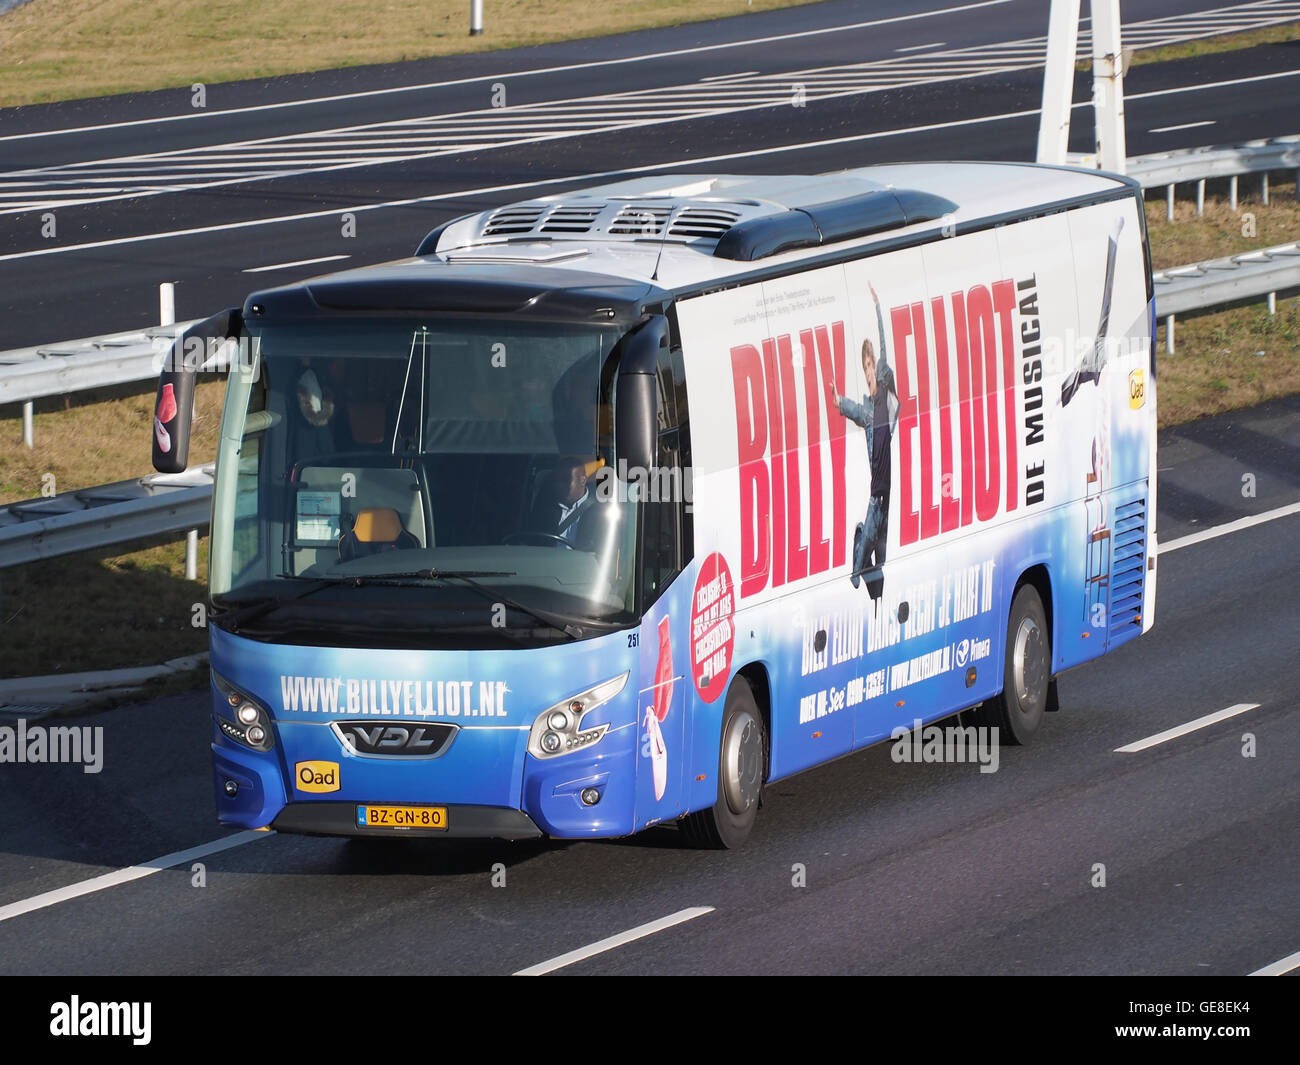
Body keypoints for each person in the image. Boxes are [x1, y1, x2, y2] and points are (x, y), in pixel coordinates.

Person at [831, 283, 898, 599]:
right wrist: (837, 399)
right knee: (858, 573)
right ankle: (860, 536)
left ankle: (865, 538)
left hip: (889, 495)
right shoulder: (868, 411)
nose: (871, 372)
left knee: (882, 563)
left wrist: (877, 306)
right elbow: (849, 409)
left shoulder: (886, 392)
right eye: (867, 368)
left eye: (872, 366)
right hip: (876, 496)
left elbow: (885, 348)